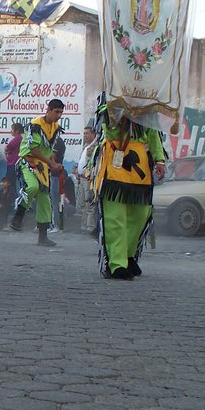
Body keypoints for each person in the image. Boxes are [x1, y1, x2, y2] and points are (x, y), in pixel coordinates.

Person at [89, 95, 166, 279]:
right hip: (114, 164)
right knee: (115, 217)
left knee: (140, 215)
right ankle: (116, 263)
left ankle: (129, 255)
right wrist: (124, 109)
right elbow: (107, 125)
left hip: (139, 169)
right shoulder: (109, 100)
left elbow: (153, 134)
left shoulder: (148, 105)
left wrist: (159, 159)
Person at [11, 100, 65, 247]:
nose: (59, 115)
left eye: (61, 112)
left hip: (42, 165)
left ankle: (43, 236)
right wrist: (52, 163)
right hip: (28, 161)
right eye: (56, 112)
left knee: (44, 199)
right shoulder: (36, 124)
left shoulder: (55, 127)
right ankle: (19, 215)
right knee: (33, 187)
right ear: (48, 109)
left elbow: (49, 149)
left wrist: (52, 161)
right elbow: (34, 150)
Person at [75, 125, 98, 235]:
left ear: (93, 134)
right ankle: (83, 226)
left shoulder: (95, 147)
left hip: (89, 179)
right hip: (81, 179)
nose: (85, 135)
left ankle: (90, 227)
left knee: (89, 204)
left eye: (87, 133)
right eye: (84, 133)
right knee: (82, 204)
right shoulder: (85, 146)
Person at [3, 122, 23, 191]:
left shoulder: (17, 139)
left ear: (17, 131)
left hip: (13, 164)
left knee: (10, 183)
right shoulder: (19, 138)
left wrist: (7, 151)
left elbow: (7, 148)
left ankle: (13, 199)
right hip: (12, 163)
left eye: (12, 129)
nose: (10, 131)